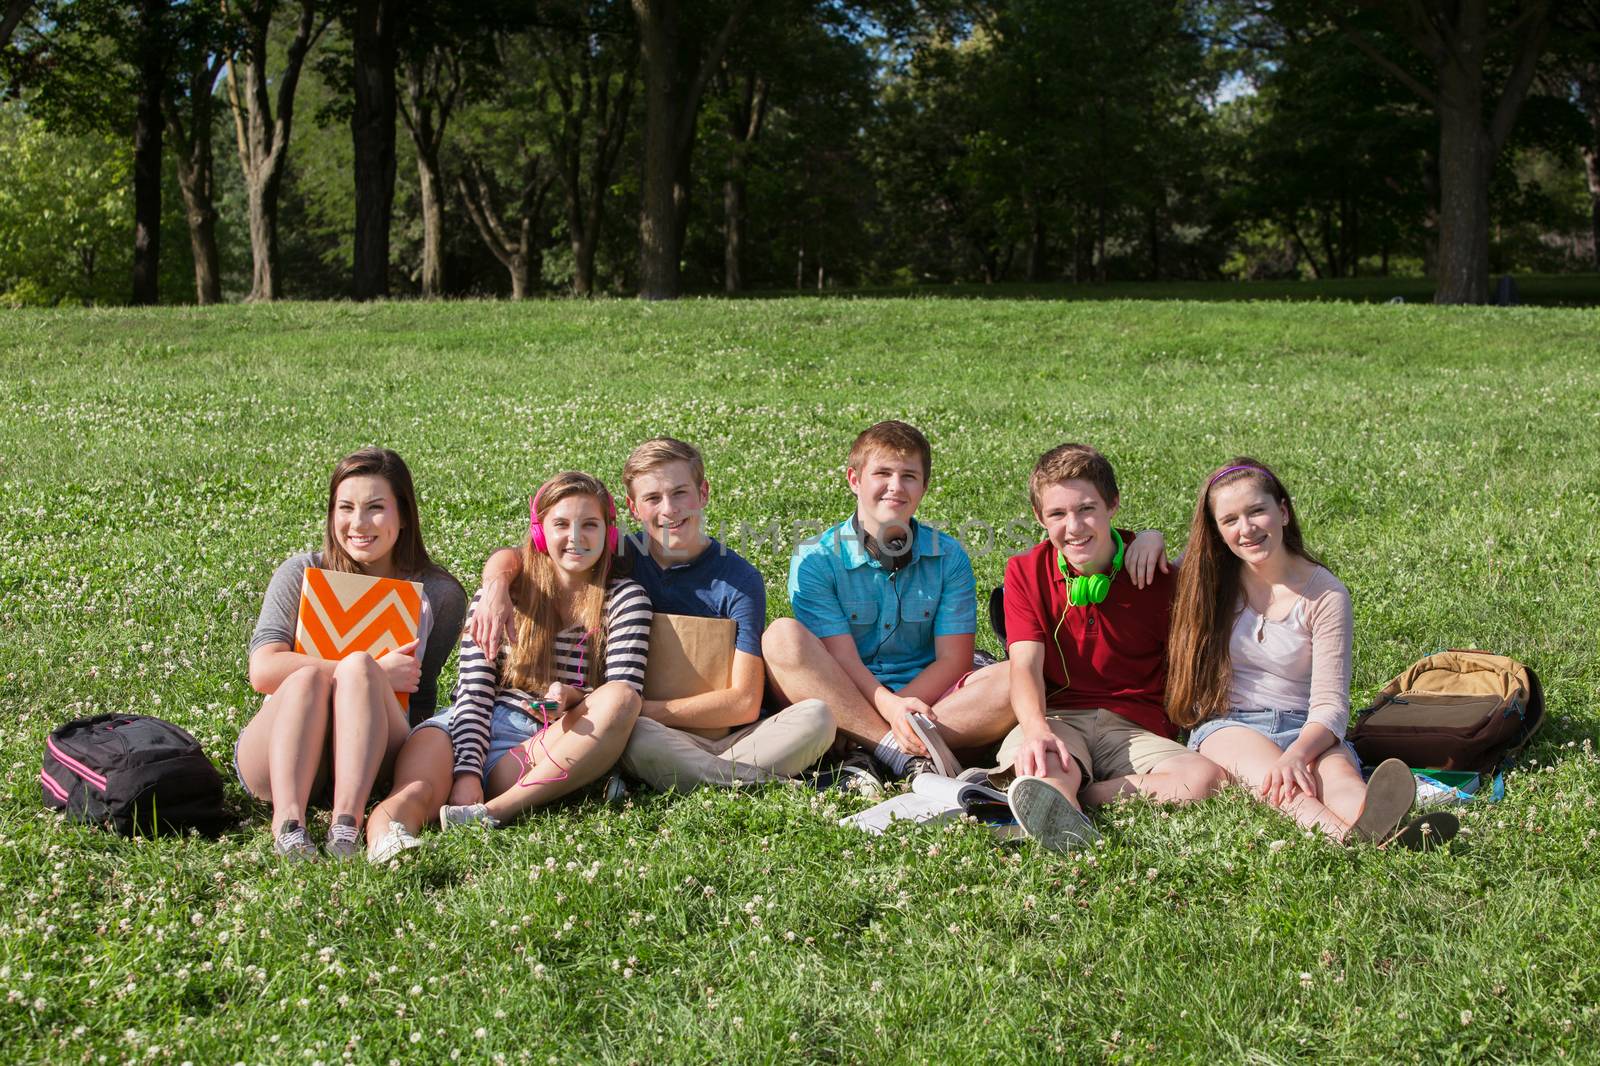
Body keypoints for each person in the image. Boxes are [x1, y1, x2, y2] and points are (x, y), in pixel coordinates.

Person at [762, 421, 1166, 792]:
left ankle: (868, 752)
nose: (895, 487)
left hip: (935, 707)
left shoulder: (949, 556)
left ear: (924, 486)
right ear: (854, 479)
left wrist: (906, 711)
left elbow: (953, 662)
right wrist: (890, 708)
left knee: (1017, 676)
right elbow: (840, 660)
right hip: (845, 690)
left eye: (909, 476)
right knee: (781, 637)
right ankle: (900, 754)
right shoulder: (816, 558)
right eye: (882, 474)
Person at [471, 438, 835, 792]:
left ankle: (706, 774)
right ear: (633, 508)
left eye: (680, 493)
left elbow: (744, 702)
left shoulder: (740, 580)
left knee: (818, 717)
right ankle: (752, 780)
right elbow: (524, 556)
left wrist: (632, 709)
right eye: (652, 498)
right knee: (636, 738)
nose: (669, 510)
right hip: (646, 736)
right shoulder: (614, 557)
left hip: (724, 736)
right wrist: (496, 585)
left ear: (703, 493)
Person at [1165, 459, 1452, 848]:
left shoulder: (1326, 594)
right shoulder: (1206, 577)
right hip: (1231, 726)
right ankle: (1348, 841)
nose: (1245, 529)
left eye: (1256, 511)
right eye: (1229, 520)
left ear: (1282, 512)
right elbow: (1146, 569)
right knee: (1280, 785)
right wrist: (1148, 537)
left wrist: (1299, 752)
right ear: (1217, 532)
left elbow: (1331, 703)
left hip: (1308, 727)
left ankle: (1385, 826)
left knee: (1340, 781)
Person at [368, 471, 650, 856]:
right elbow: (474, 691)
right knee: (416, 791)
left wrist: (574, 696)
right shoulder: (501, 595)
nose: (575, 537)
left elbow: (623, 692)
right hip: (465, 722)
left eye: (590, 525)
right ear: (539, 533)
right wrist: (467, 772)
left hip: (537, 744)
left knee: (620, 698)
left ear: (609, 534)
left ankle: (494, 812)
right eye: (561, 524)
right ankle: (388, 845)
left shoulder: (624, 599)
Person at [996, 443, 1227, 852]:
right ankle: (1061, 808)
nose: (1074, 526)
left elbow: (1217, 558)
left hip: (1134, 726)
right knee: (1041, 763)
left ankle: (1076, 802)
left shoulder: (1155, 572)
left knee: (1207, 779)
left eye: (1087, 509)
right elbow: (1025, 665)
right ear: (1039, 518)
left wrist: (1156, 538)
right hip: (1061, 716)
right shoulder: (1024, 572)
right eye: (1057, 514)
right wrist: (1036, 729)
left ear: (1113, 505)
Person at [237, 447, 466, 860]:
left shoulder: (439, 594)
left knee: (359, 669)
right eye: (346, 508)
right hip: (281, 753)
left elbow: (417, 701)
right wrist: (375, 669)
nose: (358, 524)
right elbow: (263, 669)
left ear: (404, 514)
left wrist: (368, 675)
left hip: (374, 755)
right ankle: (288, 824)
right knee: (317, 675)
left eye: (375, 508)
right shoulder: (301, 572)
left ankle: (346, 822)